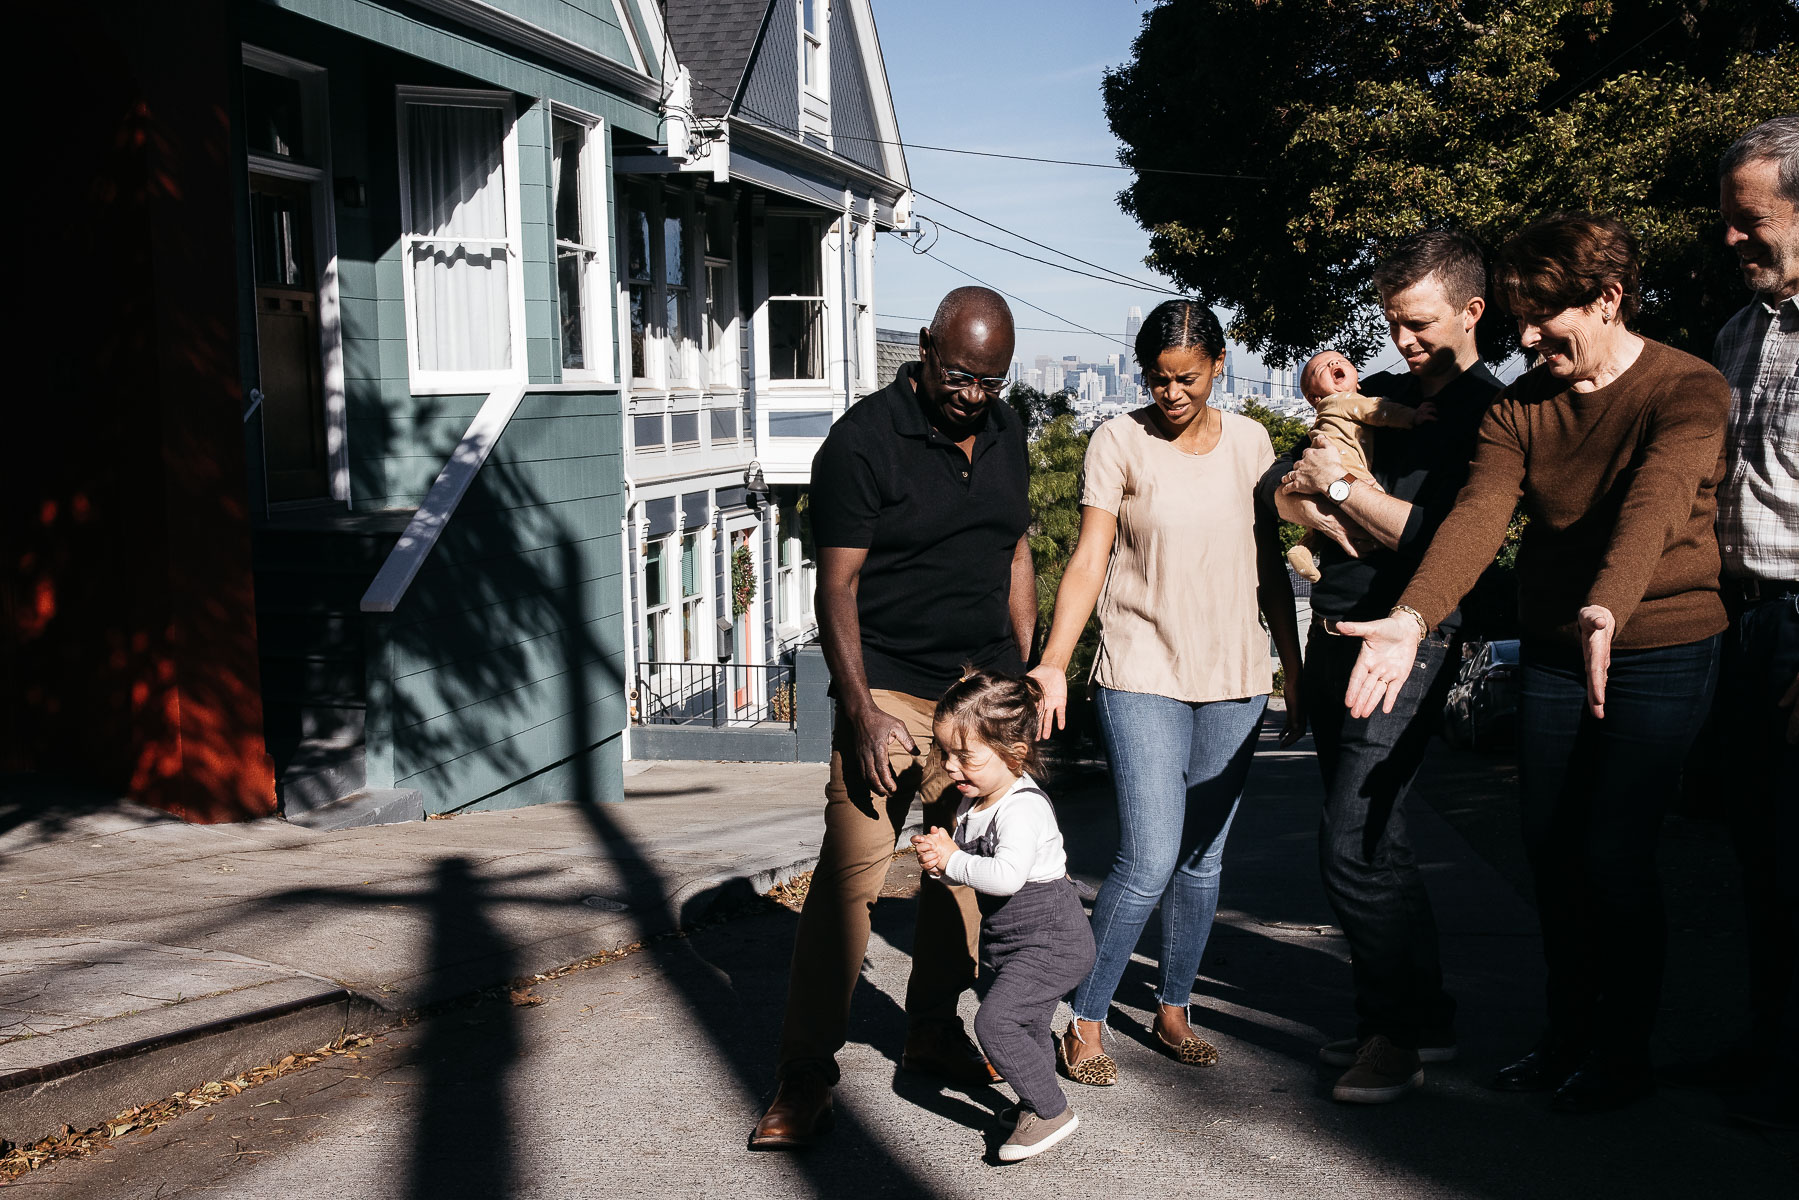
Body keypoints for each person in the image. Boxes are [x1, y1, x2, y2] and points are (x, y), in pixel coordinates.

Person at [1340, 213, 1731, 1113]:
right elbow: (1478, 517)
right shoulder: (1520, 406)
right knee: (1550, 850)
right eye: (1517, 317)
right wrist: (1410, 617)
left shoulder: (1686, 387)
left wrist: (1608, 603)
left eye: (1542, 316)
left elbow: (1656, 501)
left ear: (1607, 299)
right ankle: (1565, 1038)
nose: (1523, 337)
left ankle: (1620, 1055)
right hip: (1557, 648)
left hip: (1661, 643)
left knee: (1614, 855)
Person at [749, 287, 1036, 1150]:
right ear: (924, 349)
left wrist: (1019, 675)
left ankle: (932, 1029)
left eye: (989, 381)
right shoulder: (862, 442)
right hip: (891, 691)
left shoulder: (1007, 429)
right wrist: (862, 708)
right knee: (852, 876)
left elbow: (1014, 550)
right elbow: (835, 586)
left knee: (966, 874)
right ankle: (804, 1072)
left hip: (978, 694)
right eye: (959, 376)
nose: (972, 396)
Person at [1027, 299, 1304, 1088]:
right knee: (1148, 856)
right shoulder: (1118, 440)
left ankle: (1173, 1008)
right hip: (1141, 667)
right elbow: (1089, 557)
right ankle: (1085, 1018)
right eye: (1157, 379)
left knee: (1202, 858)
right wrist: (1053, 660)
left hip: (1235, 675)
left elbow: (1269, 565)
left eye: (1187, 377)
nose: (1172, 393)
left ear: (1219, 364)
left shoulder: (1251, 443)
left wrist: (1292, 670)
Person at [1260, 230, 1503, 1104]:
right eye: (1391, 323)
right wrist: (1327, 498)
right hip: (1334, 627)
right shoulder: (1382, 395)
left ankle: (1395, 1038)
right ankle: (1410, 1021)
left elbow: (1447, 544)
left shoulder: (1488, 414)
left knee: (1352, 842)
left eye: (1419, 324)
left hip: (1408, 639)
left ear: (1471, 312)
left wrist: (1340, 491)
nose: (1401, 341)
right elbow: (1288, 482)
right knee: (1377, 840)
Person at [1675, 115, 1799, 1131]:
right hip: (1744, 618)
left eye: (1747, 219)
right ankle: (1770, 1045)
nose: (1728, 238)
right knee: (1760, 850)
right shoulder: (1735, 334)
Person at [910, 669, 1096, 1163]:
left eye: (964, 755)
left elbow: (1006, 877)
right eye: (944, 753)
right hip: (1017, 940)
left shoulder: (1021, 809)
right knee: (1027, 1025)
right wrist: (941, 865)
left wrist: (954, 861)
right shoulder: (975, 802)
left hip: (1052, 939)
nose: (950, 766)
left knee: (995, 1024)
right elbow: (973, 869)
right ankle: (1034, 1099)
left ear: (1014, 752)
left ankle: (1052, 1112)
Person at [1286, 348, 1439, 583]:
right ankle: (1375, 543)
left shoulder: (1326, 415)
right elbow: (1377, 411)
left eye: (1340, 360)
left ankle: (1303, 549)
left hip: (1321, 468)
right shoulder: (1341, 400)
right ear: (1314, 397)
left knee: (1321, 524)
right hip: (1344, 461)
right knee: (1373, 497)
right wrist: (1412, 416)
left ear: (1358, 381)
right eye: (1321, 368)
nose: (1333, 364)